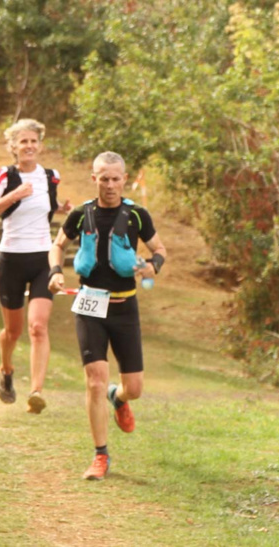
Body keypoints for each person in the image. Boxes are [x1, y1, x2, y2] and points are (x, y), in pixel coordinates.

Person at [48, 151, 166, 480]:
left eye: (116, 179)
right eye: (104, 178)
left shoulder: (137, 216)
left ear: (124, 179)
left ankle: (120, 397)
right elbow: (57, 245)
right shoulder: (80, 214)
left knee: (135, 388)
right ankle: (100, 456)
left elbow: (160, 249)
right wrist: (56, 272)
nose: (110, 185)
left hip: (125, 307)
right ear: (94, 179)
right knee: (95, 381)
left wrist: (151, 267)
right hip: (89, 305)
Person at [0, 119, 71, 414]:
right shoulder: (4, 176)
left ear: (40, 145)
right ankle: (6, 372)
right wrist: (14, 195)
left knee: (38, 326)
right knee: (12, 331)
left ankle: (36, 391)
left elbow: (45, 206)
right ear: (13, 147)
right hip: (12, 259)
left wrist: (60, 209)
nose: (29, 146)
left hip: (43, 259)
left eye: (34, 141)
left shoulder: (50, 177)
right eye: (23, 142)